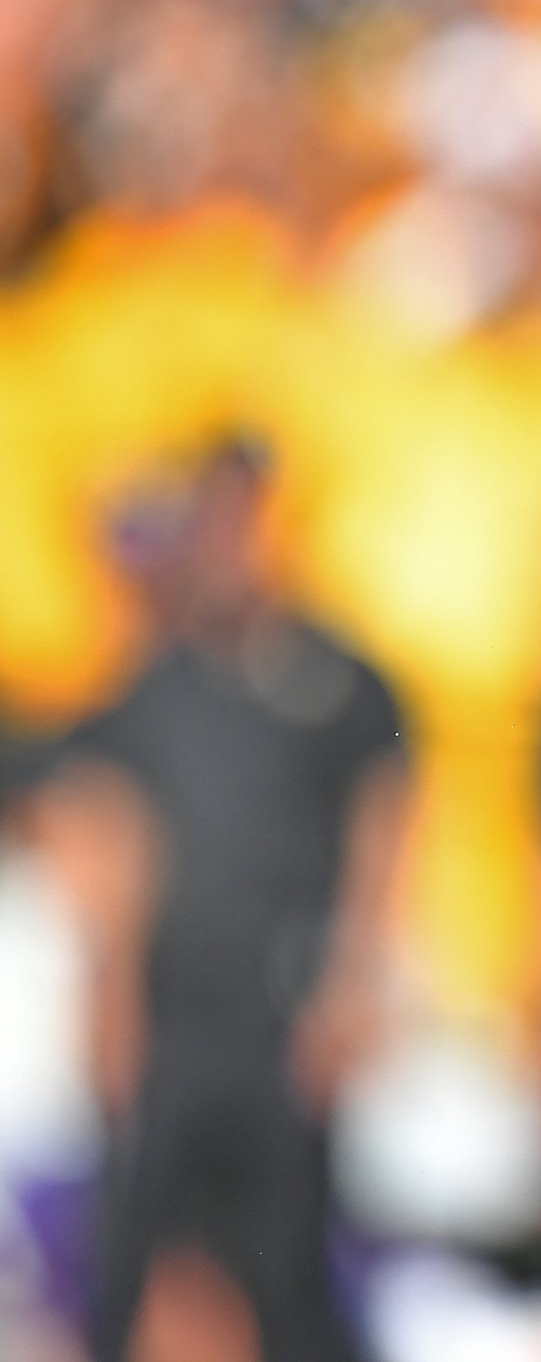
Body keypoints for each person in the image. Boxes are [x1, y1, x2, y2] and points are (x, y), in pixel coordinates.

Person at [33, 442, 406, 1362]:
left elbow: (382, 824)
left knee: (282, 1263)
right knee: (141, 1248)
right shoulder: (154, 682)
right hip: (173, 1012)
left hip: (284, 1008)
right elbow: (111, 834)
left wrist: (357, 979)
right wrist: (109, 991)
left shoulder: (338, 683)